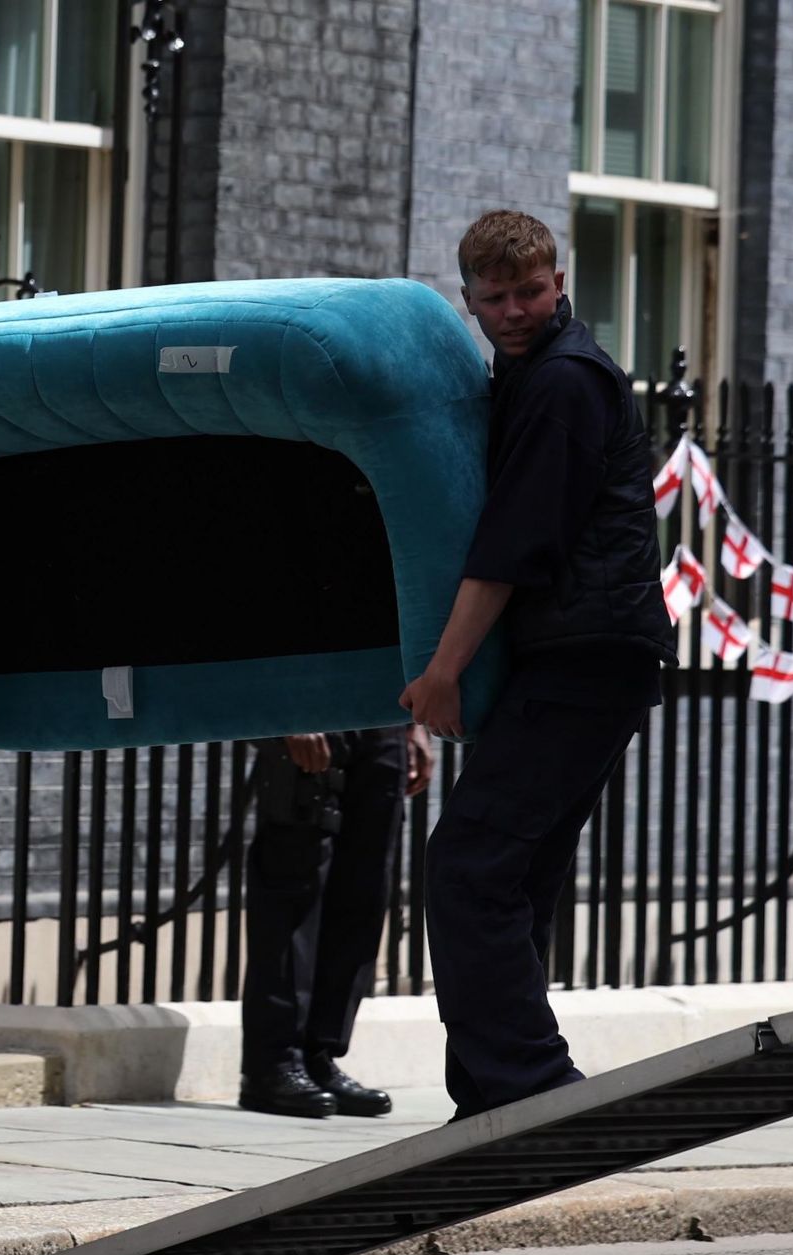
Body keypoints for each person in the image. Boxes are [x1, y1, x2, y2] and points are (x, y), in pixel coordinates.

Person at [399, 210, 675, 1121]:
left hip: (585, 655)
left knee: (469, 863)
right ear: (470, 301)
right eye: (496, 297)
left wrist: (442, 672)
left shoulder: (561, 382)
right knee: (512, 873)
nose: (515, 309)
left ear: (561, 285)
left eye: (531, 291)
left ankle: (530, 1084)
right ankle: (492, 1092)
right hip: (590, 655)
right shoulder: (526, 375)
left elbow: (515, 544)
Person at [238, 726, 433, 1118]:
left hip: (384, 719)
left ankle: (319, 1057)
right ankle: (272, 1066)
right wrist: (287, 714)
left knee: (362, 896)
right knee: (293, 893)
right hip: (314, 704)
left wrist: (415, 727)